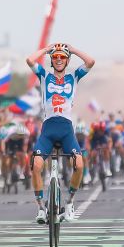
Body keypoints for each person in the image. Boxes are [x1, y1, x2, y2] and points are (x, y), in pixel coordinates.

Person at [27, 42, 96, 223]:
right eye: (55, 57)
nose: (59, 59)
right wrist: (46, 49)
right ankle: (41, 208)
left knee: (79, 165)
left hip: (66, 129)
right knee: (35, 165)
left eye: (62, 57)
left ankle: (70, 202)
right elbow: (29, 60)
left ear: (67, 60)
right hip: (48, 129)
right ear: (51, 60)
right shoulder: (44, 75)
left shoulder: (74, 76)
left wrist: (73, 50)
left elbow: (90, 62)